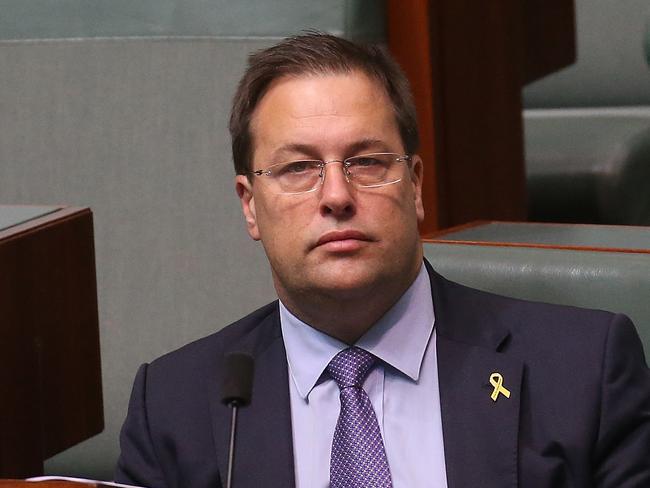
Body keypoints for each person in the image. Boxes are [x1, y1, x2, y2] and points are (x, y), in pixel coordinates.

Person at [114, 33, 650, 488]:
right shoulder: (175, 408)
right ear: (250, 206)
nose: (337, 195)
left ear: (415, 186)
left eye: (367, 162)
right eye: (299, 168)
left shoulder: (582, 373)